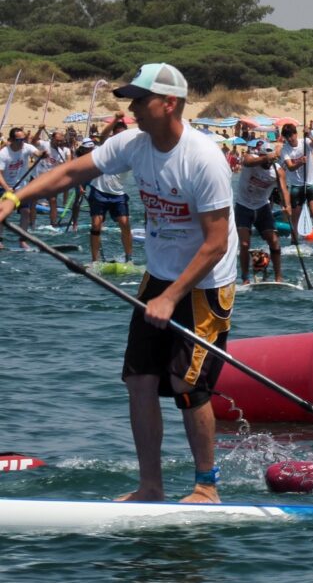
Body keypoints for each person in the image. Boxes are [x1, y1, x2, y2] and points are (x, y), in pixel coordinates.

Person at [0, 63, 238, 503]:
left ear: (169, 103)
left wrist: (171, 297)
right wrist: (14, 198)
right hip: (159, 277)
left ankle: (206, 487)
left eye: (140, 100)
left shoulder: (203, 159)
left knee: (188, 387)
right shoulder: (133, 143)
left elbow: (216, 244)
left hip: (204, 285)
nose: (132, 110)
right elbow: (72, 173)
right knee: (139, 380)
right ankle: (151, 487)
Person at [236, 140, 290, 284]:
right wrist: (266, 157)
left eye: (270, 161)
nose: (267, 164)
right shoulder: (251, 159)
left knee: (274, 241)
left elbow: (283, 189)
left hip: (262, 207)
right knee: (244, 244)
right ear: (260, 155)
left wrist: (287, 206)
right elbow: (247, 161)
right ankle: (245, 278)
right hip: (243, 206)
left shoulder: (277, 170)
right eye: (265, 159)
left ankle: (278, 277)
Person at [279, 122, 313, 253]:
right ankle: (294, 241)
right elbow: (290, 167)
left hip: (312, 182)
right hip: (296, 185)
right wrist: (299, 162)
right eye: (287, 136)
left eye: (291, 135)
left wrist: (309, 135)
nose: (290, 138)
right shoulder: (285, 149)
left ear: (296, 134)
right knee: (295, 215)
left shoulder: (305, 142)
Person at [87, 116, 133, 263]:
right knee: (96, 225)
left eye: (123, 134)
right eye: (118, 134)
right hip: (99, 191)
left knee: (125, 224)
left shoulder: (130, 150)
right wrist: (115, 120)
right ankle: (95, 260)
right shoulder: (106, 145)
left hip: (118, 194)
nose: (121, 137)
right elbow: (103, 136)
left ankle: (129, 259)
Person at [0, 127, 40, 249]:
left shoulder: (26, 147)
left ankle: (22, 240)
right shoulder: (4, 153)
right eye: (19, 140)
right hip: (5, 187)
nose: (22, 142)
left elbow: (37, 153)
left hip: (21, 188)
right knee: (4, 214)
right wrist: (7, 188)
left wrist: (42, 155)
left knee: (26, 212)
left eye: (24, 139)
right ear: (11, 140)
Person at [30, 125, 72, 227]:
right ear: (52, 138)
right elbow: (33, 141)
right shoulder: (44, 144)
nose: (59, 143)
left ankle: (53, 224)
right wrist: (39, 129)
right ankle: (32, 223)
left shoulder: (60, 152)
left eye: (61, 141)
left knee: (53, 201)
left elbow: (62, 168)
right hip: (36, 177)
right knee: (33, 201)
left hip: (50, 180)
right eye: (57, 141)